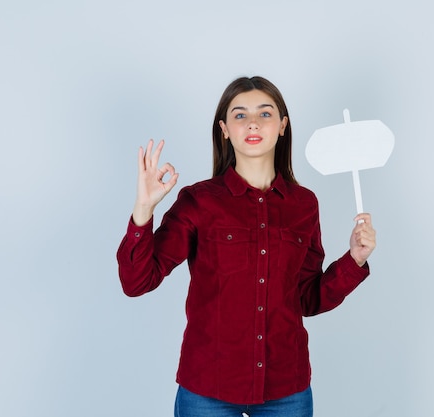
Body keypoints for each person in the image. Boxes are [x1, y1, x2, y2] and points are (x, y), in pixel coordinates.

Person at [116, 76, 376, 417]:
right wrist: (143, 210)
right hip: (208, 389)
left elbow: (307, 299)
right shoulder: (199, 201)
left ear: (283, 125)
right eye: (240, 115)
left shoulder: (304, 205)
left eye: (265, 114)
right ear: (224, 129)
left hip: (287, 390)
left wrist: (354, 260)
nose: (253, 122)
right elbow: (137, 282)